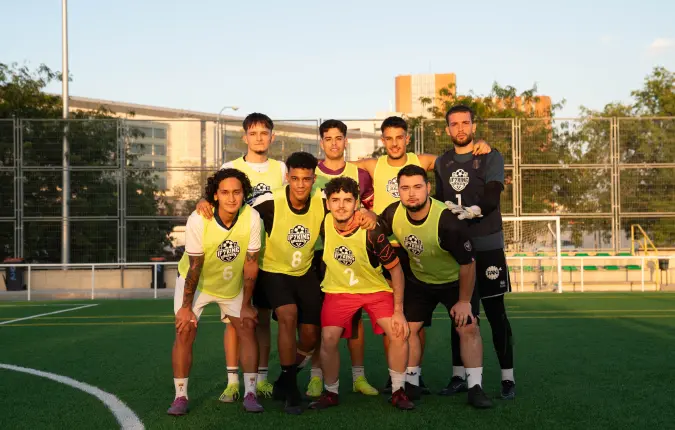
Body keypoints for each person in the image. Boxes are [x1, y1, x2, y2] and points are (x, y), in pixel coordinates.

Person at [250, 151, 377, 414]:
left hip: (305, 271)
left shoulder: (321, 201)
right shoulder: (269, 201)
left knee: (309, 337)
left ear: (313, 179)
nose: (300, 185)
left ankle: (284, 379)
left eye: (306, 179)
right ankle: (292, 391)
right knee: (287, 315)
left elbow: (348, 208)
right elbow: (236, 209)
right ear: (287, 177)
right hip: (274, 271)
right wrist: (207, 202)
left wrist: (369, 214)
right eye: (295, 178)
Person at [379, 165, 493, 408]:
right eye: (405, 188)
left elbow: (468, 263)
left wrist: (463, 301)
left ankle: (475, 387)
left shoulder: (447, 221)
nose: (411, 193)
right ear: (398, 190)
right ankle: (412, 382)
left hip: (455, 282)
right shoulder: (392, 213)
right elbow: (374, 233)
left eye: (418, 187)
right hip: (420, 280)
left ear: (428, 189)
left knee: (468, 327)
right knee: (407, 329)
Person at [196, 112, 283, 401]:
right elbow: (211, 200)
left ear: (272, 136)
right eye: (253, 133)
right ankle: (233, 381)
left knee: (261, 319)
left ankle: (260, 380)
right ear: (244, 137)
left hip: (268, 256)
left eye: (264, 132)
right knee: (233, 321)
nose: (259, 138)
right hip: (235, 258)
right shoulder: (230, 167)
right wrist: (201, 202)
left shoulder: (281, 169)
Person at [308, 177, 414, 411]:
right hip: (339, 290)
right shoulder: (324, 223)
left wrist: (398, 311)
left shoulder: (371, 232)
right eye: (335, 200)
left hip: (375, 290)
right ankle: (331, 392)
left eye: (347, 200)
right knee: (328, 339)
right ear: (327, 204)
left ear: (357, 203)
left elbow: (396, 270)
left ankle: (398, 390)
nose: (341, 205)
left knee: (398, 333)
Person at [435, 104, 516, 400]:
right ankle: (459, 376)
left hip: (488, 246)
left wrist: (477, 210)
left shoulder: (491, 156)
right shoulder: (442, 163)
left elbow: (494, 193)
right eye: (454, 124)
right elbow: (437, 200)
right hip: (457, 251)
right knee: (461, 313)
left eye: (465, 123)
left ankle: (507, 378)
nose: (460, 128)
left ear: (473, 126)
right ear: (447, 129)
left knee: (496, 314)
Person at [167, 168, 263, 416]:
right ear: (215, 196)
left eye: (237, 192)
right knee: (185, 330)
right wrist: (186, 308)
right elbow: (195, 266)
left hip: (230, 285)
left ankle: (250, 392)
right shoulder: (198, 219)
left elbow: (252, 263)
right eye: (225, 192)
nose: (232, 198)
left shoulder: (252, 218)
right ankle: (180, 396)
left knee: (247, 325)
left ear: (244, 194)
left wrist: (247, 304)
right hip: (196, 284)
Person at [306, 119, 378, 398]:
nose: (334, 143)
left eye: (339, 138)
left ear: (346, 141)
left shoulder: (359, 173)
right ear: (321, 143)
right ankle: (316, 376)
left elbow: (370, 209)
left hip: (352, 255)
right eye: (328, 138)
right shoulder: (310, 175)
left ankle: (358, 377)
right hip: (318, 254)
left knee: (356, 318)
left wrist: (371, 215)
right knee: (319, 319)